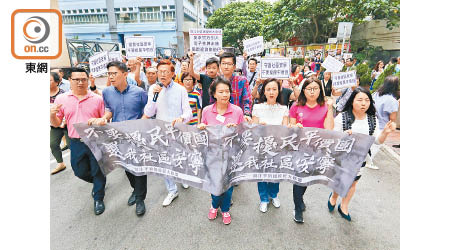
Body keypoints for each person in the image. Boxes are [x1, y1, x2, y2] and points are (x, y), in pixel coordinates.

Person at [88, 61, 149, 216]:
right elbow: (109, 109)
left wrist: (140, 125)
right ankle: (135, 190)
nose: (111, 76)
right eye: (109, 74)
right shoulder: (107, 92)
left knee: (139, 168)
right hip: (118, 136)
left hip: (136, 136)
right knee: (126, 166)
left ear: (124, 74)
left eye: (114, 73)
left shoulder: (139, 92)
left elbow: (147, 112)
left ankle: (140, 199)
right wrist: (104, 118)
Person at [327, 87, 396, 221]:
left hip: (360, 159)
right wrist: (343, 136)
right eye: (359, 100)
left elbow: (376, 140)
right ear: (352, 101)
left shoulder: (372, 120)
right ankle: (334, 196)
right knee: (341, 181)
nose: (363, 103)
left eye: (367, 100)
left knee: (353, 183)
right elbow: (333, 137)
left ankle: (344, 206)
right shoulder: (343, 117)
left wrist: (386, 133)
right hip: (342, 158)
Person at [50, 68, 107, 215]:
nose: (80, 82)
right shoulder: (62, 99)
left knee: (97, 170)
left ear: (88, 80)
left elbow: (105, 120)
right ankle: (97, 182)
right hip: (75, 141)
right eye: (77, 80)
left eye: (84, 79)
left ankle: (98, 197)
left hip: (95, 141)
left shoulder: (97, 99)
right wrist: (51, 116)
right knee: (79, 171)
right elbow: (57, 124)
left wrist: (102, 121)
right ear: (70, 80)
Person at [142, 59, 193, 207]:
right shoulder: (153, 89)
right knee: (164, 161)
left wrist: (181, 118)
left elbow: (188, 112)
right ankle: (172, 190)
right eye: (160, 72)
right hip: (161, 132)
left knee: (180, 158)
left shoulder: (181, 89)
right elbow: (149, 112)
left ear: (172, 73)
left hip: (178, 131)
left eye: (165, 71)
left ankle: (183, 178)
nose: (162, 74)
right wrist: (153, 97)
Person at [197, 77, 244, 225]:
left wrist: (236, 129)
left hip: (230, 155)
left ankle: (225, 210)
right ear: (214, 94)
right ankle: (214, 205)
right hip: (212, 155)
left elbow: (243, 134)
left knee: (228, 187)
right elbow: (201, 131)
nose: (225, 95)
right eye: (221, 92)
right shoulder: (206, 111)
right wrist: (201, 128)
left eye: (227, 91)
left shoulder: (237, 111)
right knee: (215, 185)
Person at [289, 77, 334, 223]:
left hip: (317, 150)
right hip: (299, 149)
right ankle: (297, 208)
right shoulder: (296, 106)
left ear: (320, 90)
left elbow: (329, 128)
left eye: (316, 88)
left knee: (307, 179)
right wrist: (296, 128)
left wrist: (331, 108)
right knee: (298, 179)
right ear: (304, 91)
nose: (312, 92)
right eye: (309, 89)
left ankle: (300, 199)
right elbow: (291, 127)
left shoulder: (325, 107)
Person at [251, 78, 289, 213]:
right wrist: (259, 127)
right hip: (261, 146)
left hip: (278, 146)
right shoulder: (257, 107)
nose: (271, 92)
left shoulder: (284, 108)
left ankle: (274, 195)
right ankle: (263, 199)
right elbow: (253, 129)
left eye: (274, 89)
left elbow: (285, 129)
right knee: (262, 174)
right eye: (268, 89)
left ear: (279, 91)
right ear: (264, 92)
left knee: (275, 173)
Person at [368, 76, 400, 169]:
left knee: (368, 144)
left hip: (370, 122)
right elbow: (392, 118)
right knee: (375, 146)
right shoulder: (392, 100)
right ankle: (368, 163)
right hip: (381, 127)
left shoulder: (376, 94)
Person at [219, 52, 252, 121]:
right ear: (220, 65)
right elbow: (213, 102)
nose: (226, 66)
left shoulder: (242, 81)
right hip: (221, 120)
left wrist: (246, 114)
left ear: (234, 66)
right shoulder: (216, 82)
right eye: (223, 63)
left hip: (238, 119)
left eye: (229, 64)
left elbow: (247, 101)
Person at [50, 72, 70, 175]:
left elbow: (70, 108)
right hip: (54, 124)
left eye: (50, 80)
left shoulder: (63, 94)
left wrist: (66, 120)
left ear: (57, 82)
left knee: (73, 145)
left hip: (67, 124)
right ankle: (60, 163)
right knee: (53, 144)